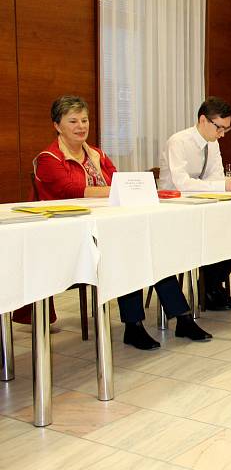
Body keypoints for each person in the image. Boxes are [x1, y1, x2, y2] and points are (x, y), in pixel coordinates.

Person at [31, 95, 212, 350]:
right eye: (73, 121)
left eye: (84, 120)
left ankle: (180, 318)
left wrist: (122, 188)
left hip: (105, 227)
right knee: (129, 251)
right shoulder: (48, 159)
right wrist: (116, 189)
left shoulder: (96, 154)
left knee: (148, 248)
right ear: (57, 125)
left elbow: (117, 180)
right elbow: (70, 189)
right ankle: (136, 325)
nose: (81, 126)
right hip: (70, 237)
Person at [159, 97, 231, 310]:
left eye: (226, 129)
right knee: (216, 235)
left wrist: (226, 185)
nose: (222, 134)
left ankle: (211, 286)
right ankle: (208, 289)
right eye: (219, 128)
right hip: (172, 210)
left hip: (202, 205)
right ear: (203, 120)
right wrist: (222, 186)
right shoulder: (178, 141)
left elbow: (217, 177)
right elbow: (182, 184)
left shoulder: (212, 144)